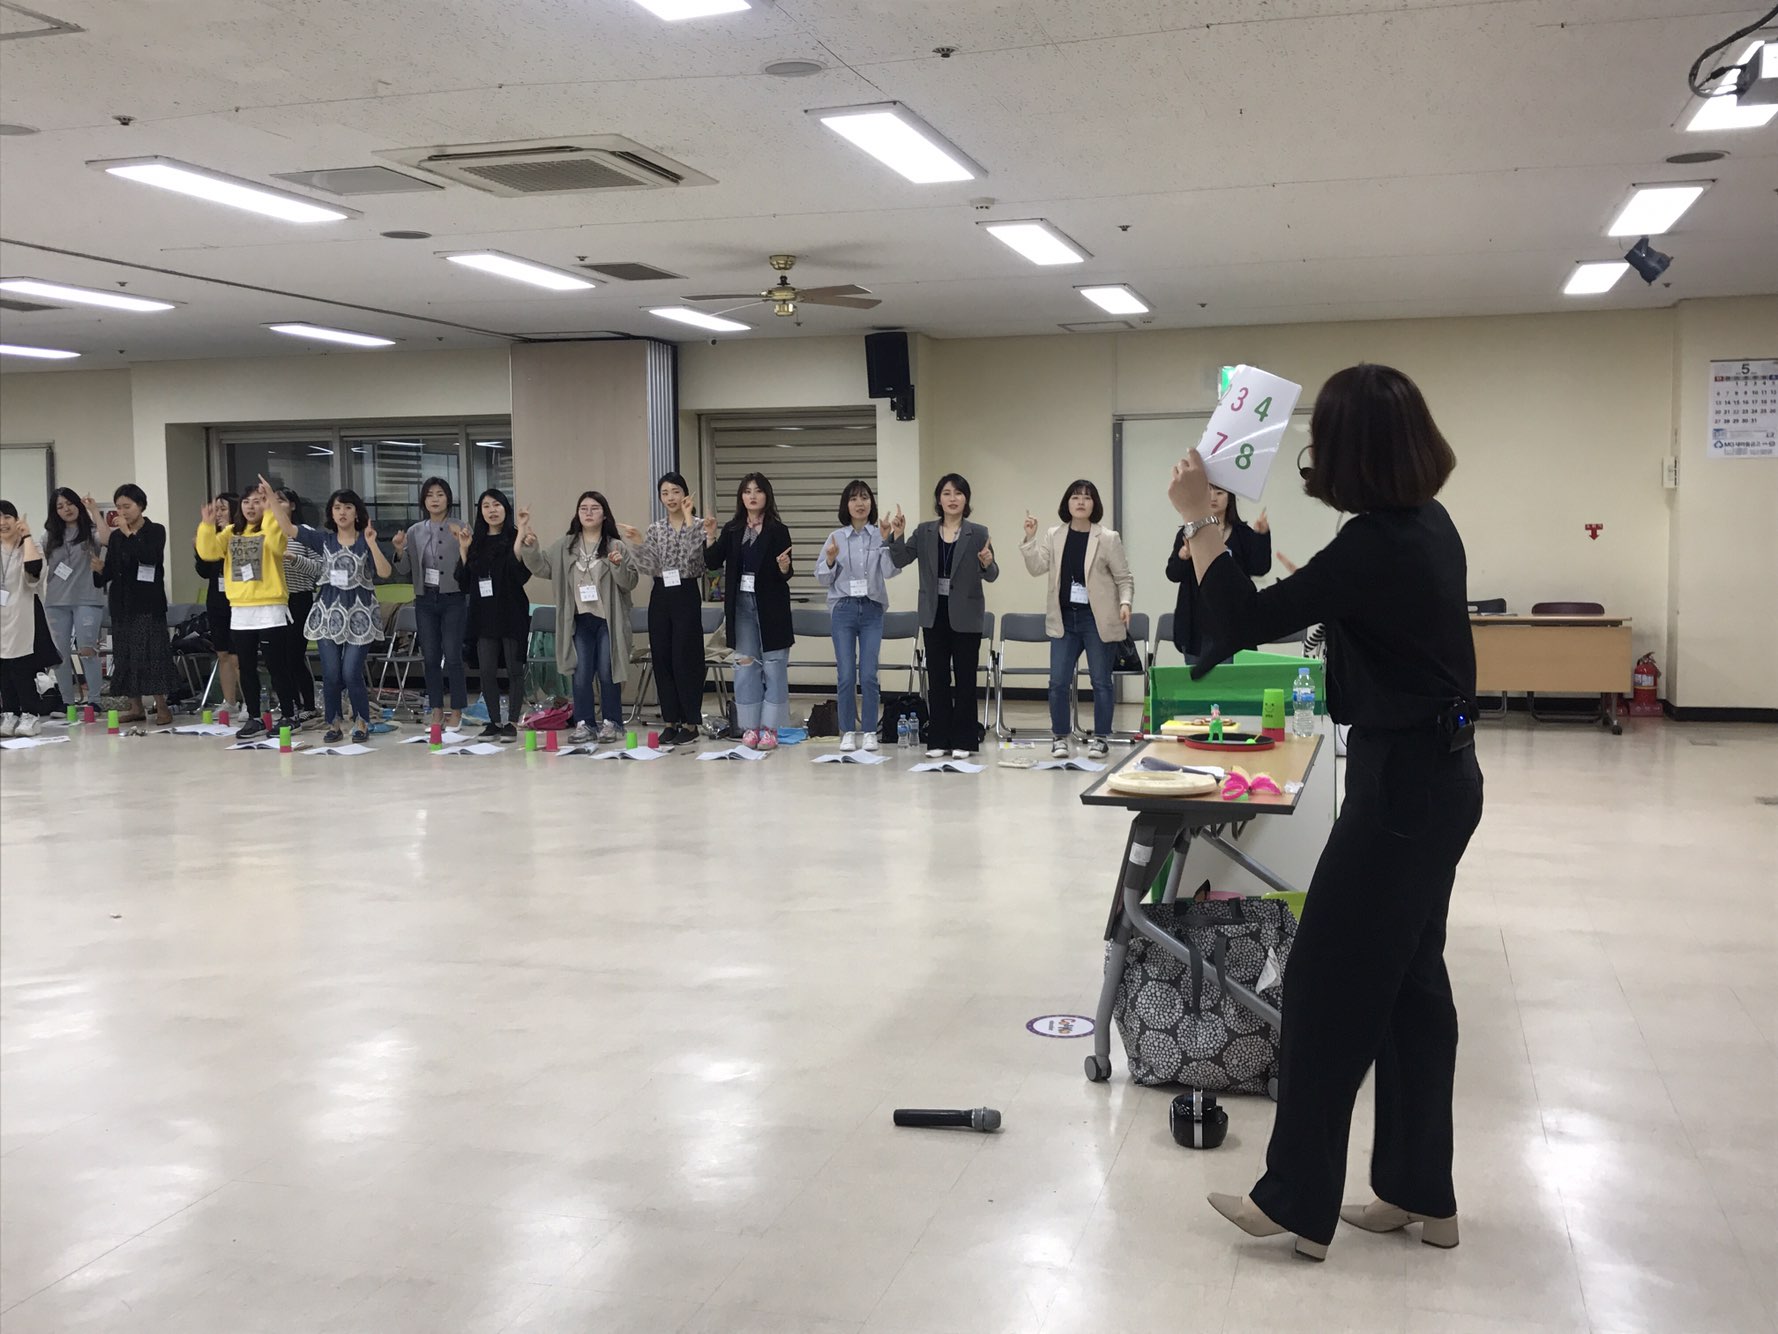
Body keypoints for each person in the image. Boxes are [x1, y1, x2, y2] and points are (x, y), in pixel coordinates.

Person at [1170, 363, 1483, 1262]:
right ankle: (1421, 1194)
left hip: (1404, 791)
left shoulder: (1376, 545)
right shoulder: (1425, 526)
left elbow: (1238, 621)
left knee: (1324, 982)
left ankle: (1297, 1201)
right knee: (1410, 987)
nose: (1310, 453)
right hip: (1438, 778)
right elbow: (1344, 613)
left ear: (1354, 452)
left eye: (1321, 440)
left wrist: (1201, 521)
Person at [265, 487, 390, 746]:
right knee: (331, 674)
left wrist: (372, 543)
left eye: (347, 507)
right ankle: (333, 723)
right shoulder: (323, 540)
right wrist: (271, 499)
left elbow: (385, 572)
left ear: (357, 513)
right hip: (327, 615)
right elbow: (287, 527)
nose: (342, 512)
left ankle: (361, 721)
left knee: (351, 672)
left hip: (360, 617)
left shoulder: (365, 540)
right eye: (337, 508)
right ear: (331, 513)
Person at [1020, 479, 1134, 760]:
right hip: (1064, 619)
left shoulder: (1107, 537)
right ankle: (1060, 737)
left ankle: (1101, 738)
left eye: (1087, 497)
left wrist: (1125, 603)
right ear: (1067, 504)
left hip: (1096, 619)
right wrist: (1030, 539)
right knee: (1058, 682)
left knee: (1101, 681)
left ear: (1095, 504)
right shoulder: (1055, 535)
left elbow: (1124, 578)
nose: (1081, 502)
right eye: (1075, 497)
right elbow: (1037, 568)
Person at [886, 474, 998, 758]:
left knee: (965, 679)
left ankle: (964, 740)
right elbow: (900, 559)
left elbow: (993, 574)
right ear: (939, 499)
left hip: (967, 615)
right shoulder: (924, 531)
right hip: (934, 613)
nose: (952, 498)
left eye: (958, 493)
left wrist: (987, 563)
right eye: (946, 493)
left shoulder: (978, 533)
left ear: (966, 499)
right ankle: (938, 740)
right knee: (937, 678)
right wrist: (896, 536)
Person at [518, 492, 636, 746]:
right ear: (577, 514)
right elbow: (542, 568)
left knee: (608, 671)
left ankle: (612, 722)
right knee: (580, 673)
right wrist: (530, 547)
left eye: (595, 508)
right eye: (583, 508)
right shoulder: (565, 546)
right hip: (579, 619)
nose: (589, 512)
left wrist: (618, 566)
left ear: (604, 514)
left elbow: (630, 582)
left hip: (608, 620)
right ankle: (585, 723)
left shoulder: (615, 546)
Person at [194, 475, 302, 739]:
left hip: (270, 607)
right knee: (246, 666)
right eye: (247, 502)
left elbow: (276, 544)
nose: (251, 507)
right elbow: (208, 552)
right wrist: (207, 525)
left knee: (276, 665)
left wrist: (270, 511)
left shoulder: (271, 528)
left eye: (258, 501)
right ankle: (254, 717)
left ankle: (289, 715)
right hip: (241, 609)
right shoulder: (231, 532)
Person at [703, 473, 794, 750]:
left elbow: (786, 572)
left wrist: (784, 567)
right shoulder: (733, 529)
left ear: (767, 495)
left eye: (757, 491)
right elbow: (712, 562)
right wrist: (710, 534)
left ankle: (771, 729)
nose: (752, 496)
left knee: (774, 666)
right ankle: (750, 727)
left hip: (771, 606)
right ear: (741, 497)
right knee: (745, 667)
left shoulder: (778, 530)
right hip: (741, 605)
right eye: (747, 491)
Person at [616, 472, 708, 746]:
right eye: (665, 493)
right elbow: (650, 566)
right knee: (663, 657)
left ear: (685, 494)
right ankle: (670, 721)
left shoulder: (699, 525)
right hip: (661, 593)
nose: (670, 498)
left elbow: (696, 559)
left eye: (675, 491)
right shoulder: (656, 528)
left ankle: (690, 723)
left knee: (685, 657)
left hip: (686, 593)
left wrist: (689, 518)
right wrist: (638, 542)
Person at [813, 479, 900, 752]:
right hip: (844, 609)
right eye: (853, 498)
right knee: (847, 674)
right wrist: (830, 560)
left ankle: (870, 730)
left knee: (870, 674)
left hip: (872, 609)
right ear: (846, 505)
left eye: (864, 497)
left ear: (871, 503)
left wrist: (887, 541)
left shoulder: (879, 534)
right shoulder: (836, 537)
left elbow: (890, 572)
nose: (860, 503)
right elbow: (821, 578)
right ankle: (848, 730)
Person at [93, 484, 178, 726]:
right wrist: (98, 570)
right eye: (119, 507)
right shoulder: (116, 538)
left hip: (148, 603)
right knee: (126, 655)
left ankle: (162, 706)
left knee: (153, 655)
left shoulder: (155, 530)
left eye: (127, 506)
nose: (122, 512)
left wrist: (129, 533)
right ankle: (136, 706)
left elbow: (150, 557)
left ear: (140, 506)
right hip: (122, 604)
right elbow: (110, 573)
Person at [390, 477, 469, 731]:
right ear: (423, 501)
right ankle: (436, 709)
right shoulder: (415, 531)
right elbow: (404, 569)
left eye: (440, 494)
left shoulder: (461, 527)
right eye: (430, 495)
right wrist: (399, 550)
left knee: (453, 655)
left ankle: (457, 710)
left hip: (453, 597)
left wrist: (465, 546)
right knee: (431, 656)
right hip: (425, 599)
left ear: (448, 499)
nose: (435, 499)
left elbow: (470, 565)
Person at [455, 487, 531, 742]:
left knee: (514, 669)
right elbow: (464, 582)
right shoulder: (475, 540)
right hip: (483, 615)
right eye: (486, 506)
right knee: (486, 670)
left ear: (505, 509)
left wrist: (521, 532)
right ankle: (494, 721)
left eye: (496, 505)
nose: (492, 510)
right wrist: (464, 549)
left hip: (511, 612)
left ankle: (512, 722)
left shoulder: (515, 536)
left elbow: (519, 572)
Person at [1167, 488, 1270, 664]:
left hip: (1234, 622)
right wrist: (1183, 556)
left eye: (1220, 493)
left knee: (1232, 677)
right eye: (1208, 492)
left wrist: (1261, 537)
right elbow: (1173, 574)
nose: (1213, 498)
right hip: (1197, 625)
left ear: (1230, 498)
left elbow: (1260, 568)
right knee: (1199, 678)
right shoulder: (1189, 532)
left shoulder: (1242, 533)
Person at [39, 487, 106, 708]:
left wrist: (94, 510)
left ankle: (94, 700)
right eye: (60, 506)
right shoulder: (48, 537)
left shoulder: (92, 533)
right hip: (56, 602)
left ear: (78, 504)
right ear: (54, 511)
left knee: (87, 651)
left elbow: (107, 539)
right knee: (60, 655)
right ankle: (67, 702)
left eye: (69, 503)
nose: (66, 509)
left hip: (87, 599)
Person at [0, 501, 59, 737]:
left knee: (21, 666)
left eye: (7, 517)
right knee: (3, 668)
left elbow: (34, 574)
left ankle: (30, 714)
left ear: (16, 520)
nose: (2, 523)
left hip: (22, 614)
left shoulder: (30, 546)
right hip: (1, 617)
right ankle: (9, 713)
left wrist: (26, 537)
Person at [194, 491, 244, 714]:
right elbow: (204, 571)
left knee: (238, 656)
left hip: (239, 600)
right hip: (216, 600)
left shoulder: (240, 536)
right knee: (222, 654)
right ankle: (229, 702)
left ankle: (249, 703)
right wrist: (198, 550)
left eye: (223, 509)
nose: (218, 514)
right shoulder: (211, 536)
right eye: (215, 510)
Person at [276, 487, 322, 723]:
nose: (275, 505)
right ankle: (290, 705)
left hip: (299, 598)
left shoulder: (304, 533)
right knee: (278, 658)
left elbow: (320, 569)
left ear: (293, 505)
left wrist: (295, 559)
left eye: (281, 501)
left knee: (294, 656)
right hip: (273, 602)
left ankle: (309, 705)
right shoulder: (265, 533)